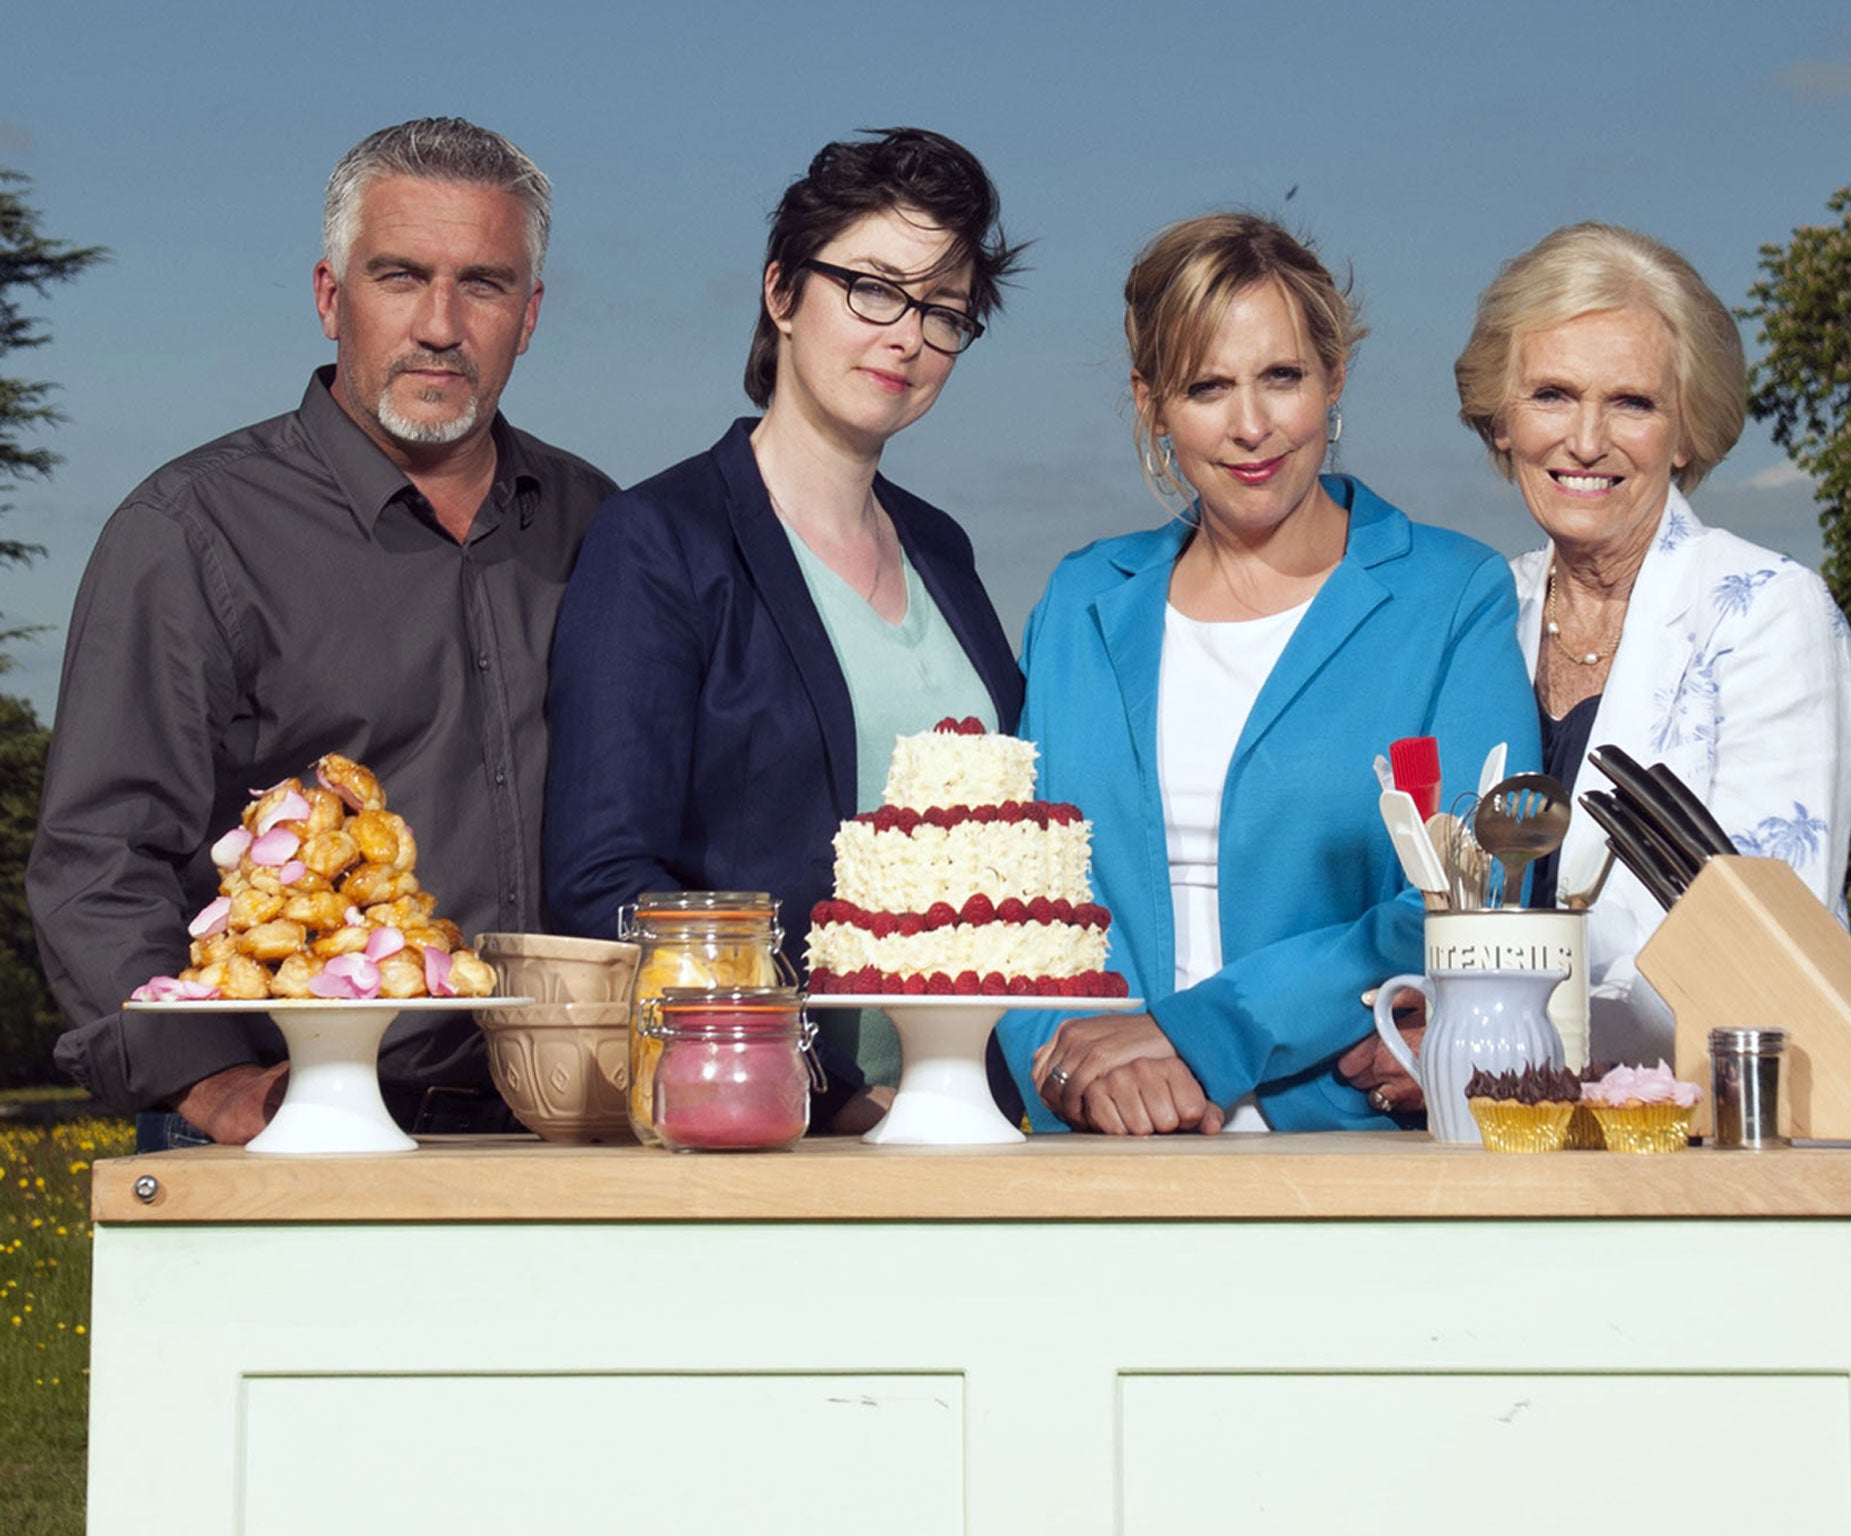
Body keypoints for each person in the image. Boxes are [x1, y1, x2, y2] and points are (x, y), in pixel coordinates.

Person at [28, 118, 615, 1147]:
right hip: (291, 1125)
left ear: (528, 316)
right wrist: (209, 1087)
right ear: (328, 296)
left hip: (569, 1125)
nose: (440, 323)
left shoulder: (604, 528)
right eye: (399, 276)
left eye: (481, 284)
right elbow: (98, 856)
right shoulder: (189, 532)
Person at [995, 213, 1538, 1135]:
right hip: (1096, 1150)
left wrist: (1202, 1036)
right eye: (1207, 387)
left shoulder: (1454, 598)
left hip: (1346, 1151)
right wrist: (1068, 1060)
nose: (1250, 426)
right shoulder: (1082, 603)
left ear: (1333, 379)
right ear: (1151, 403)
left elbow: (1474, 893)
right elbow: (1018, 889)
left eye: (1280, 377)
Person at [542, 128, 1024, 1127]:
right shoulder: (658, 542)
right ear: (779, 294)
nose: (905, 335)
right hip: (773, 1131)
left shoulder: (944, 550)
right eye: (873, 288)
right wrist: (823, 1087)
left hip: (971, 1119)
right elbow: (602, 881)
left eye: (943, 311)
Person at [1451, 221, 1851, 1063]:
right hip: (1496, 1130)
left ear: (1687, 432)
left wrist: (1490, 1026)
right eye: (1552, 395)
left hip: (1709, 1141)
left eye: (1631, 403)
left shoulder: (1768, 615)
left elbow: (1762, 961)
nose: (1587, 440)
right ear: (1501, 421)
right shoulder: (1483, 610)